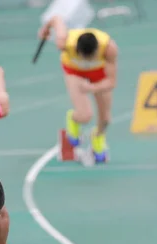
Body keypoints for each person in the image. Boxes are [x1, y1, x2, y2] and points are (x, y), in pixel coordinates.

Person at [38, 16, 118, 163]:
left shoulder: (109, 48)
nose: (87, 61)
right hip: (74, 72)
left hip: (98, 74)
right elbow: (56, 19)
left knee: (106, 119)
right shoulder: (64, 42)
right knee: (85, 115)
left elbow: (111, 82)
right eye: (84, 57)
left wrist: (92, 87)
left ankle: (97, 136)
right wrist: (45, 29)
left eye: (90, 57)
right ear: (76, 50)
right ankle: (73, 119)